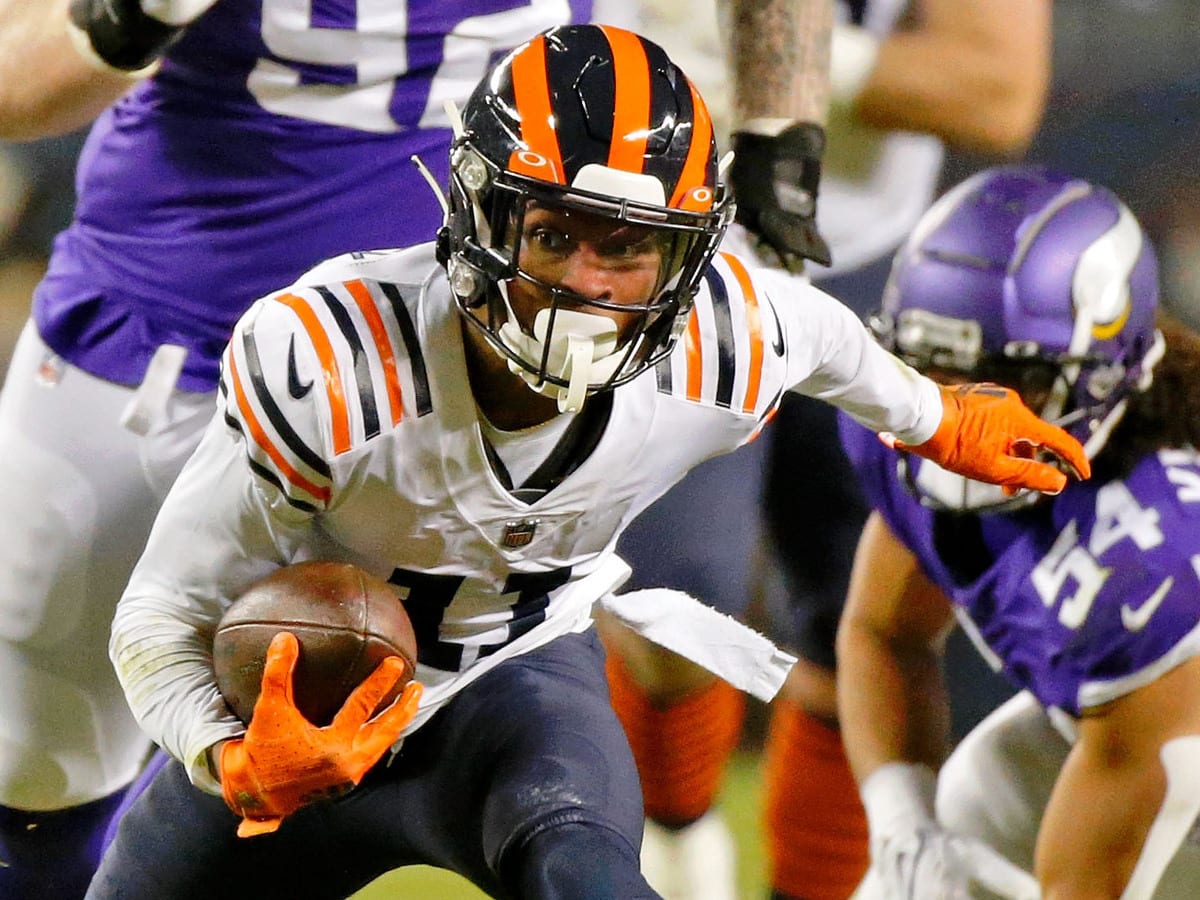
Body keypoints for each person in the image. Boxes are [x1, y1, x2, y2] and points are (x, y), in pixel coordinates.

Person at [87, 25, 1087, 899]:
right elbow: (160, 613)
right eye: (556, 233)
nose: (587, 286)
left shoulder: (721, 338)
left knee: (590, 877)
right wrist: (228, 755)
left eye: (630, 248)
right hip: (301, 715)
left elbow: (821, 335)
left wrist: (931, 413)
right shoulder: (336, 360)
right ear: (478, 216)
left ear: (687, 256)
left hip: (514, 694)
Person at [0, 1, 594, 895]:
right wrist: (124, 18)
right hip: (163, 351)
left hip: (446, 383)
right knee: (38, 774)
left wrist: (785, 126)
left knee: (507, 785)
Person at [603, 2, 1051, 898]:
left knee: (869, 627)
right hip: (659, 246)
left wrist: (788, 58)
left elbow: (997, 90)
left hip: (868, 258)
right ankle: (678, 839)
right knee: (672, 594)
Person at [836, 165, 1200, 899]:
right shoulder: (900, 425)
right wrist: (901, 820)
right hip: (1123, 727)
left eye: (1011, 383)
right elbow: (884, 633)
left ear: (1105, 376)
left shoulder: (1151, 565)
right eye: (934, 373)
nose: (966, 425)